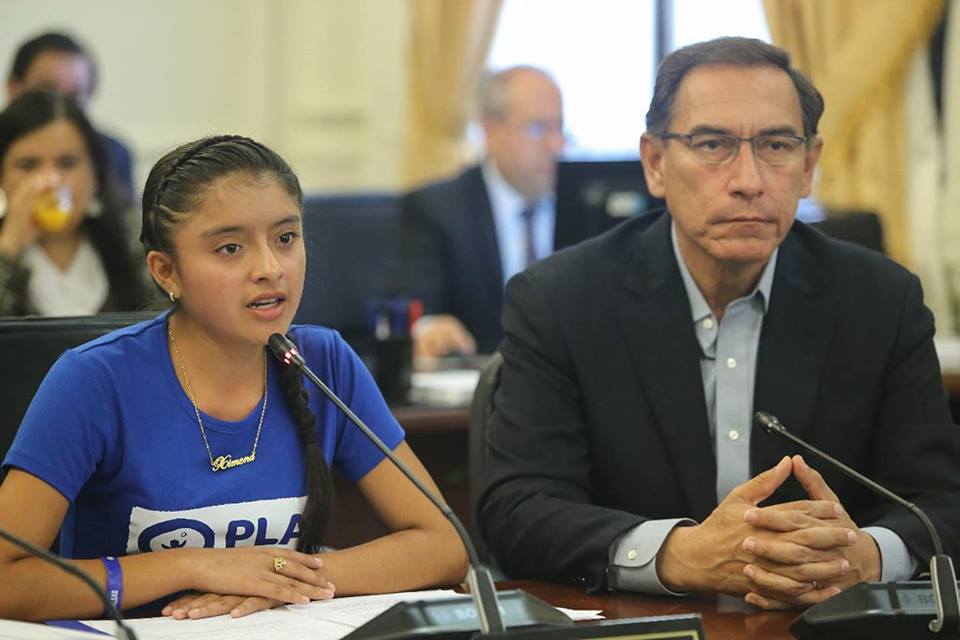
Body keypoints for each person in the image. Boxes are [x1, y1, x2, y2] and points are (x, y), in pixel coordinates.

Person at [477, 37, 960, 610]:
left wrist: (868, 556)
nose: (748, 179)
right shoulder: (560, 300)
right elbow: (518, 509)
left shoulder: (881, 301)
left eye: (776, 145)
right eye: (713, 145)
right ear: (655, 163)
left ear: (808, 166)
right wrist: (678, 554)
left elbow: (942, 502)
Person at [0, 135, 467, 621]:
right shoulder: (95, 380)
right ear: (166, 272)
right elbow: (5, 580)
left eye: (285, 238)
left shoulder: (323, 363)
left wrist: (284, 578)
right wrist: (194, 566)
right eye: (230, 248)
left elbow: (446, 544)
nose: (269, 268)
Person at [392, 65, 572, 357]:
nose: (556, 145)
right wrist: (431, 328)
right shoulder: (437, 208)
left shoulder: (582, 205)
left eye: (559, 128)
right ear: (490, 131)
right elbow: (415, 306)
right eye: (537, 128)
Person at [0, 89, 147, 315]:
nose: (50, 181)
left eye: (67, 163)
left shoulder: (134, 236)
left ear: (95, 172)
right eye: (28, 165)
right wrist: (8, 249)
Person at [6, 31, 134, 201]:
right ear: (13, 88)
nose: (60, 106)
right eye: (47, 92)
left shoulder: (113, 153)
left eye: (74, 97)